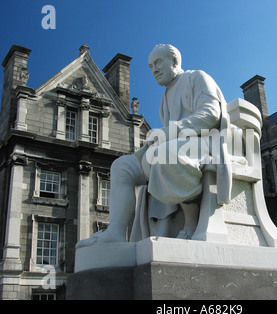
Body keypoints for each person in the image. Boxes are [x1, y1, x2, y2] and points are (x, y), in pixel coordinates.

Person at [76, 44, 231, 248]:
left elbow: (210, 114)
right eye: (150, 67)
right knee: (122, 166)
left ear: (175, 62)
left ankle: (192, 222)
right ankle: (115, 232)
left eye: (158, 63)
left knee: (164, 154)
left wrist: (167, 133)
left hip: (203, 142)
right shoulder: (166, 96)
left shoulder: (197, 77)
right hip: (177, 146)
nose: (154, 70)